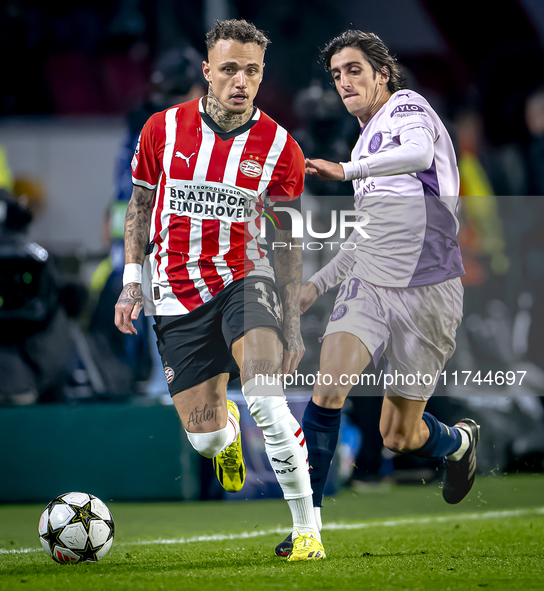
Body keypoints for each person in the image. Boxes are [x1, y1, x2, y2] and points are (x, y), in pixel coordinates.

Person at [114, 19, 324, 561]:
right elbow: (138, 207)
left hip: (243, 281)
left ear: (261, 75)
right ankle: (224, 435)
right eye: (229, 69)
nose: (240, 80)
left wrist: (294, 323)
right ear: (207, 72)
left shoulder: (281, 148)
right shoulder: (161, 129)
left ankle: (308, 532)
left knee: (265, 398)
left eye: (251, 70)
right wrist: (130, 285)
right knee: (204, 437)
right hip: (175, 292)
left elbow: (286, 238)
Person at [274, 30, 480, 557]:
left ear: (382, 75)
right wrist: (315, 286)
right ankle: (308, 530)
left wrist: (348, 171)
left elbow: (414, 154)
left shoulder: (408, 109)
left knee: (398, 435)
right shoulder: (363, 141)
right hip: (372, 286)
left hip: (431, 288)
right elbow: (367, 239)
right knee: (327, 389)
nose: (344, 82)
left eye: (354, 70)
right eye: (337, 74)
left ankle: (457, 443)